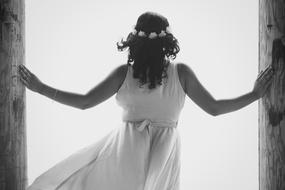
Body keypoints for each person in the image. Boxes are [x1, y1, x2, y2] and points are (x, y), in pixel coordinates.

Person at [19, 11, 274, 190]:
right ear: (167, 42)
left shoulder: (124, 74)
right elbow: (215, 108)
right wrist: (253, 95)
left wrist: (42, 88)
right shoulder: (180, 73)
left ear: (135, 41)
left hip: (127, 151)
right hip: (158, 151)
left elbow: (85, 102)